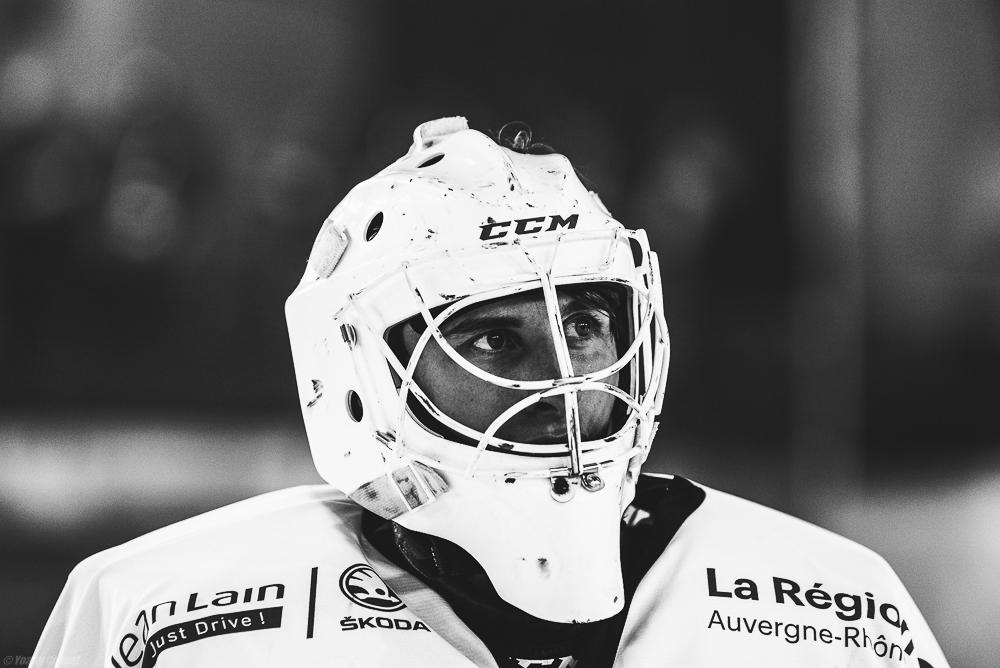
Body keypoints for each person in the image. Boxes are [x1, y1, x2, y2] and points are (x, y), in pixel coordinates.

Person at [30, 117, 949, 668]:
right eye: (493, 340)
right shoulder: (162, 616)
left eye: (583, 326)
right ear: (362, 377)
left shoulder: (839, 610)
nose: (563, 377)